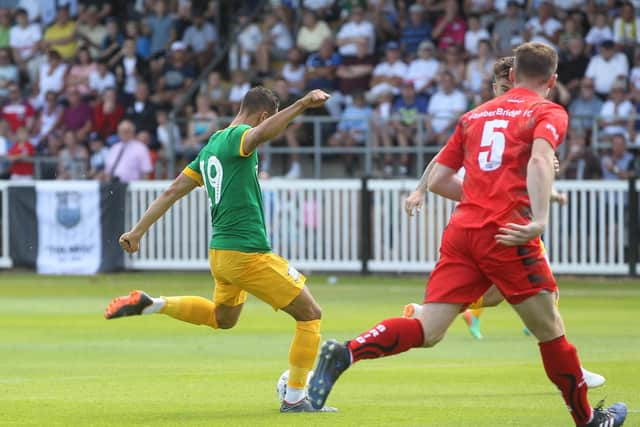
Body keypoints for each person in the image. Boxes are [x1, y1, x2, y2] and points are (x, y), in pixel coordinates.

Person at [307, 43, 628, 427]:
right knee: (551, 331)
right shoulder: (547, 111)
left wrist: (479, 196)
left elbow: (440, 178)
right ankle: (587, 419)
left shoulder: (475, 115)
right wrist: (539, 219)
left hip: (462, 232)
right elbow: (542, 160)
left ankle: (345, 352)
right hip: (507, 233)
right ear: (553, 80)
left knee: (428, 329)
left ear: (511, 76)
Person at [104, 87, 337, 413]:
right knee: (311, 315)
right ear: (262, 116)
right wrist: (302, 104)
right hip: (247, 254)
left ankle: (153, 304)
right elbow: (261, 134)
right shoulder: (239, 137)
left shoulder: (212, 144)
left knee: (222, 318)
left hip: (221, 254)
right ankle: (296, 398)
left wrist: (137, 231)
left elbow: (173, 190)